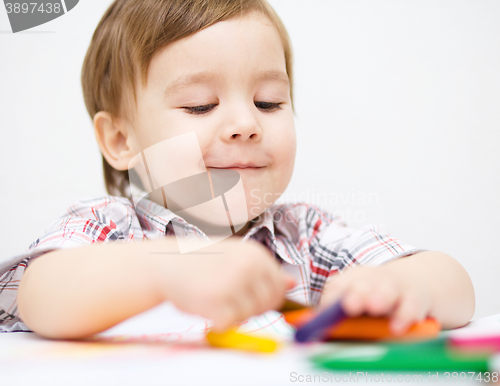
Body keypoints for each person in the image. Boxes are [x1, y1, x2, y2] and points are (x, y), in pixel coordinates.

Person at [0, 0, 474, 339]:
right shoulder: (109, 227)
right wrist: (165, 273)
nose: (246, 124)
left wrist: (403, 285)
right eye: (201, 105)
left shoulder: (304, 238)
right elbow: (40, 295)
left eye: (268, 102)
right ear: (122, 141)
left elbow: (457, 289)